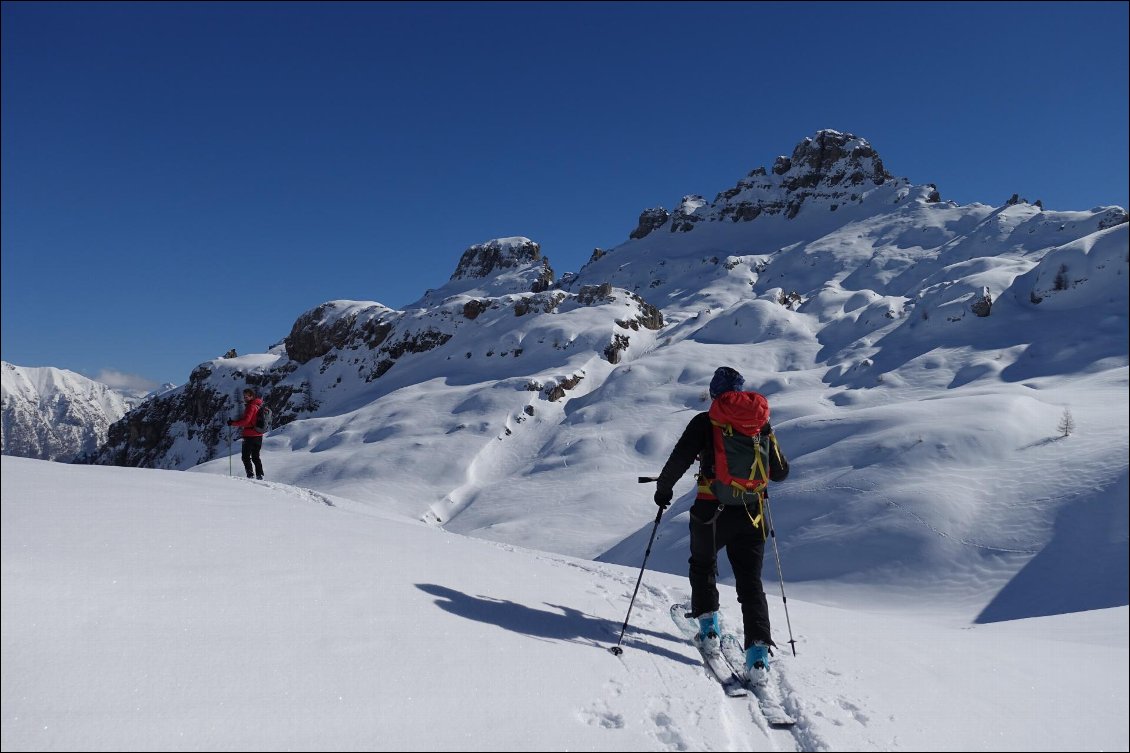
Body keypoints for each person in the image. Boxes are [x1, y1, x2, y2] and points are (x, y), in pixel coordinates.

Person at [653, 366, 790, 683]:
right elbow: (781, 471)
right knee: (750, 584)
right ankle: (757, 657)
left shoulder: (705, 422)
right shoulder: (761, 425)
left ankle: (709, 630)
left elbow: (679, 459)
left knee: (703, 565)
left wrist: (663, 491)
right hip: (752, 512)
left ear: (715, 395)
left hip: (710, 509)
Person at [229, 388, 266, 480]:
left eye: (247, 396)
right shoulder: (258, 406)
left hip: (249, 435)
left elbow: (246, 421)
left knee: (245, 457)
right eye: (244, 396)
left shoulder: (251, 406)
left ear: (252, 396)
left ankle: (250, 475)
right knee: (256, 457)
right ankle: (260, 475)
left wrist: (233, 423)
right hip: (258, 435)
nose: (245, 398)